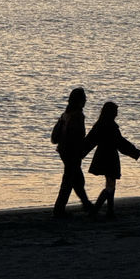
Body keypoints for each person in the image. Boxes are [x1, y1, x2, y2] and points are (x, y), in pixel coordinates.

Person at [82, 101, 140, 220]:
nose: (117, 114)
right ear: (111, 113)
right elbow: (120, 143)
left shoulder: (100, 124)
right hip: (110, 157)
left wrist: (80, 153)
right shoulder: (111, 126)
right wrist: (134, 152)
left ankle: (109, 210)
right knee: (110, 184)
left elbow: (89, 141)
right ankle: (96, 211)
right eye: (115, 112)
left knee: (111, 183)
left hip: (101, 156)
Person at [53, 87, 94, 218]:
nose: (86, 100)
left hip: (64, 151)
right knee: (70, 180)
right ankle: (60, 209)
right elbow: (77, 136)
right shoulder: (78, 116)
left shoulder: (65, 115)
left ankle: (86, 204)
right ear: (80, 101)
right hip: (72, 152)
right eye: (84, 98)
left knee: (75, 179)